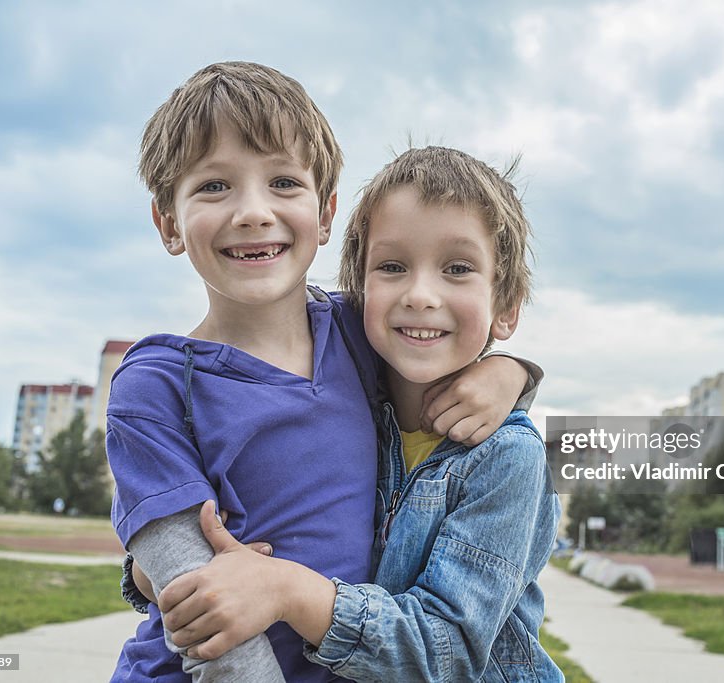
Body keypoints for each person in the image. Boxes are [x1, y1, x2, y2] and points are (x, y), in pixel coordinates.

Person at [108, 63, 536, 682]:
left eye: (283, 181)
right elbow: (201, 619)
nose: (253, 211)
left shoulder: (358, 336)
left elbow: (447, 334)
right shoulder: (154, 387)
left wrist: (510, 372)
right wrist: (153, 568)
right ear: (168, 222)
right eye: (213, 187)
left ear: (326, 212)